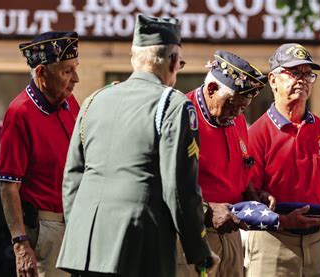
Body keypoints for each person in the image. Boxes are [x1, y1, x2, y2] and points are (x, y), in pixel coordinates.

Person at [56, 14, 216, 276]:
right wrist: (199, 251)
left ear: (133, 58)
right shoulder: (173, 105)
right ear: (174, 61)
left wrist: (80, 230)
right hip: (137, 247)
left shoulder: (93, 101)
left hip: (83, 249)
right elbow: (178, 188)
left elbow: (73, 177)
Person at [176, 50, 279, 277]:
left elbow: (242, 166)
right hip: (194, 238)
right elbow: (168, 183)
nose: (237, 113)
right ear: (212, 90)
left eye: (243, 107)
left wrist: (253, 194)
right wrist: (209, 208)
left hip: (231, 235)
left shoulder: (236, 118)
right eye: (232, 105)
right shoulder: (181, 114)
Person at [0, 31, 80, 277]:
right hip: (46, 229)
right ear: (42, 73)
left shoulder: (69, 102)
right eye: (67, 71)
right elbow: (8, 186)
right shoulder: (19, 113)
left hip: (75, 223)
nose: (76, 78)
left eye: (76, 68)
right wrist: (21, 245)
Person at [245, 43, 320, 276]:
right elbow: (249, 193)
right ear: (272, 80)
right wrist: (279, 217)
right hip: (274, 241)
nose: (302, 80)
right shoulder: (257, 133)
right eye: (294, 72)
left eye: (307, 74)